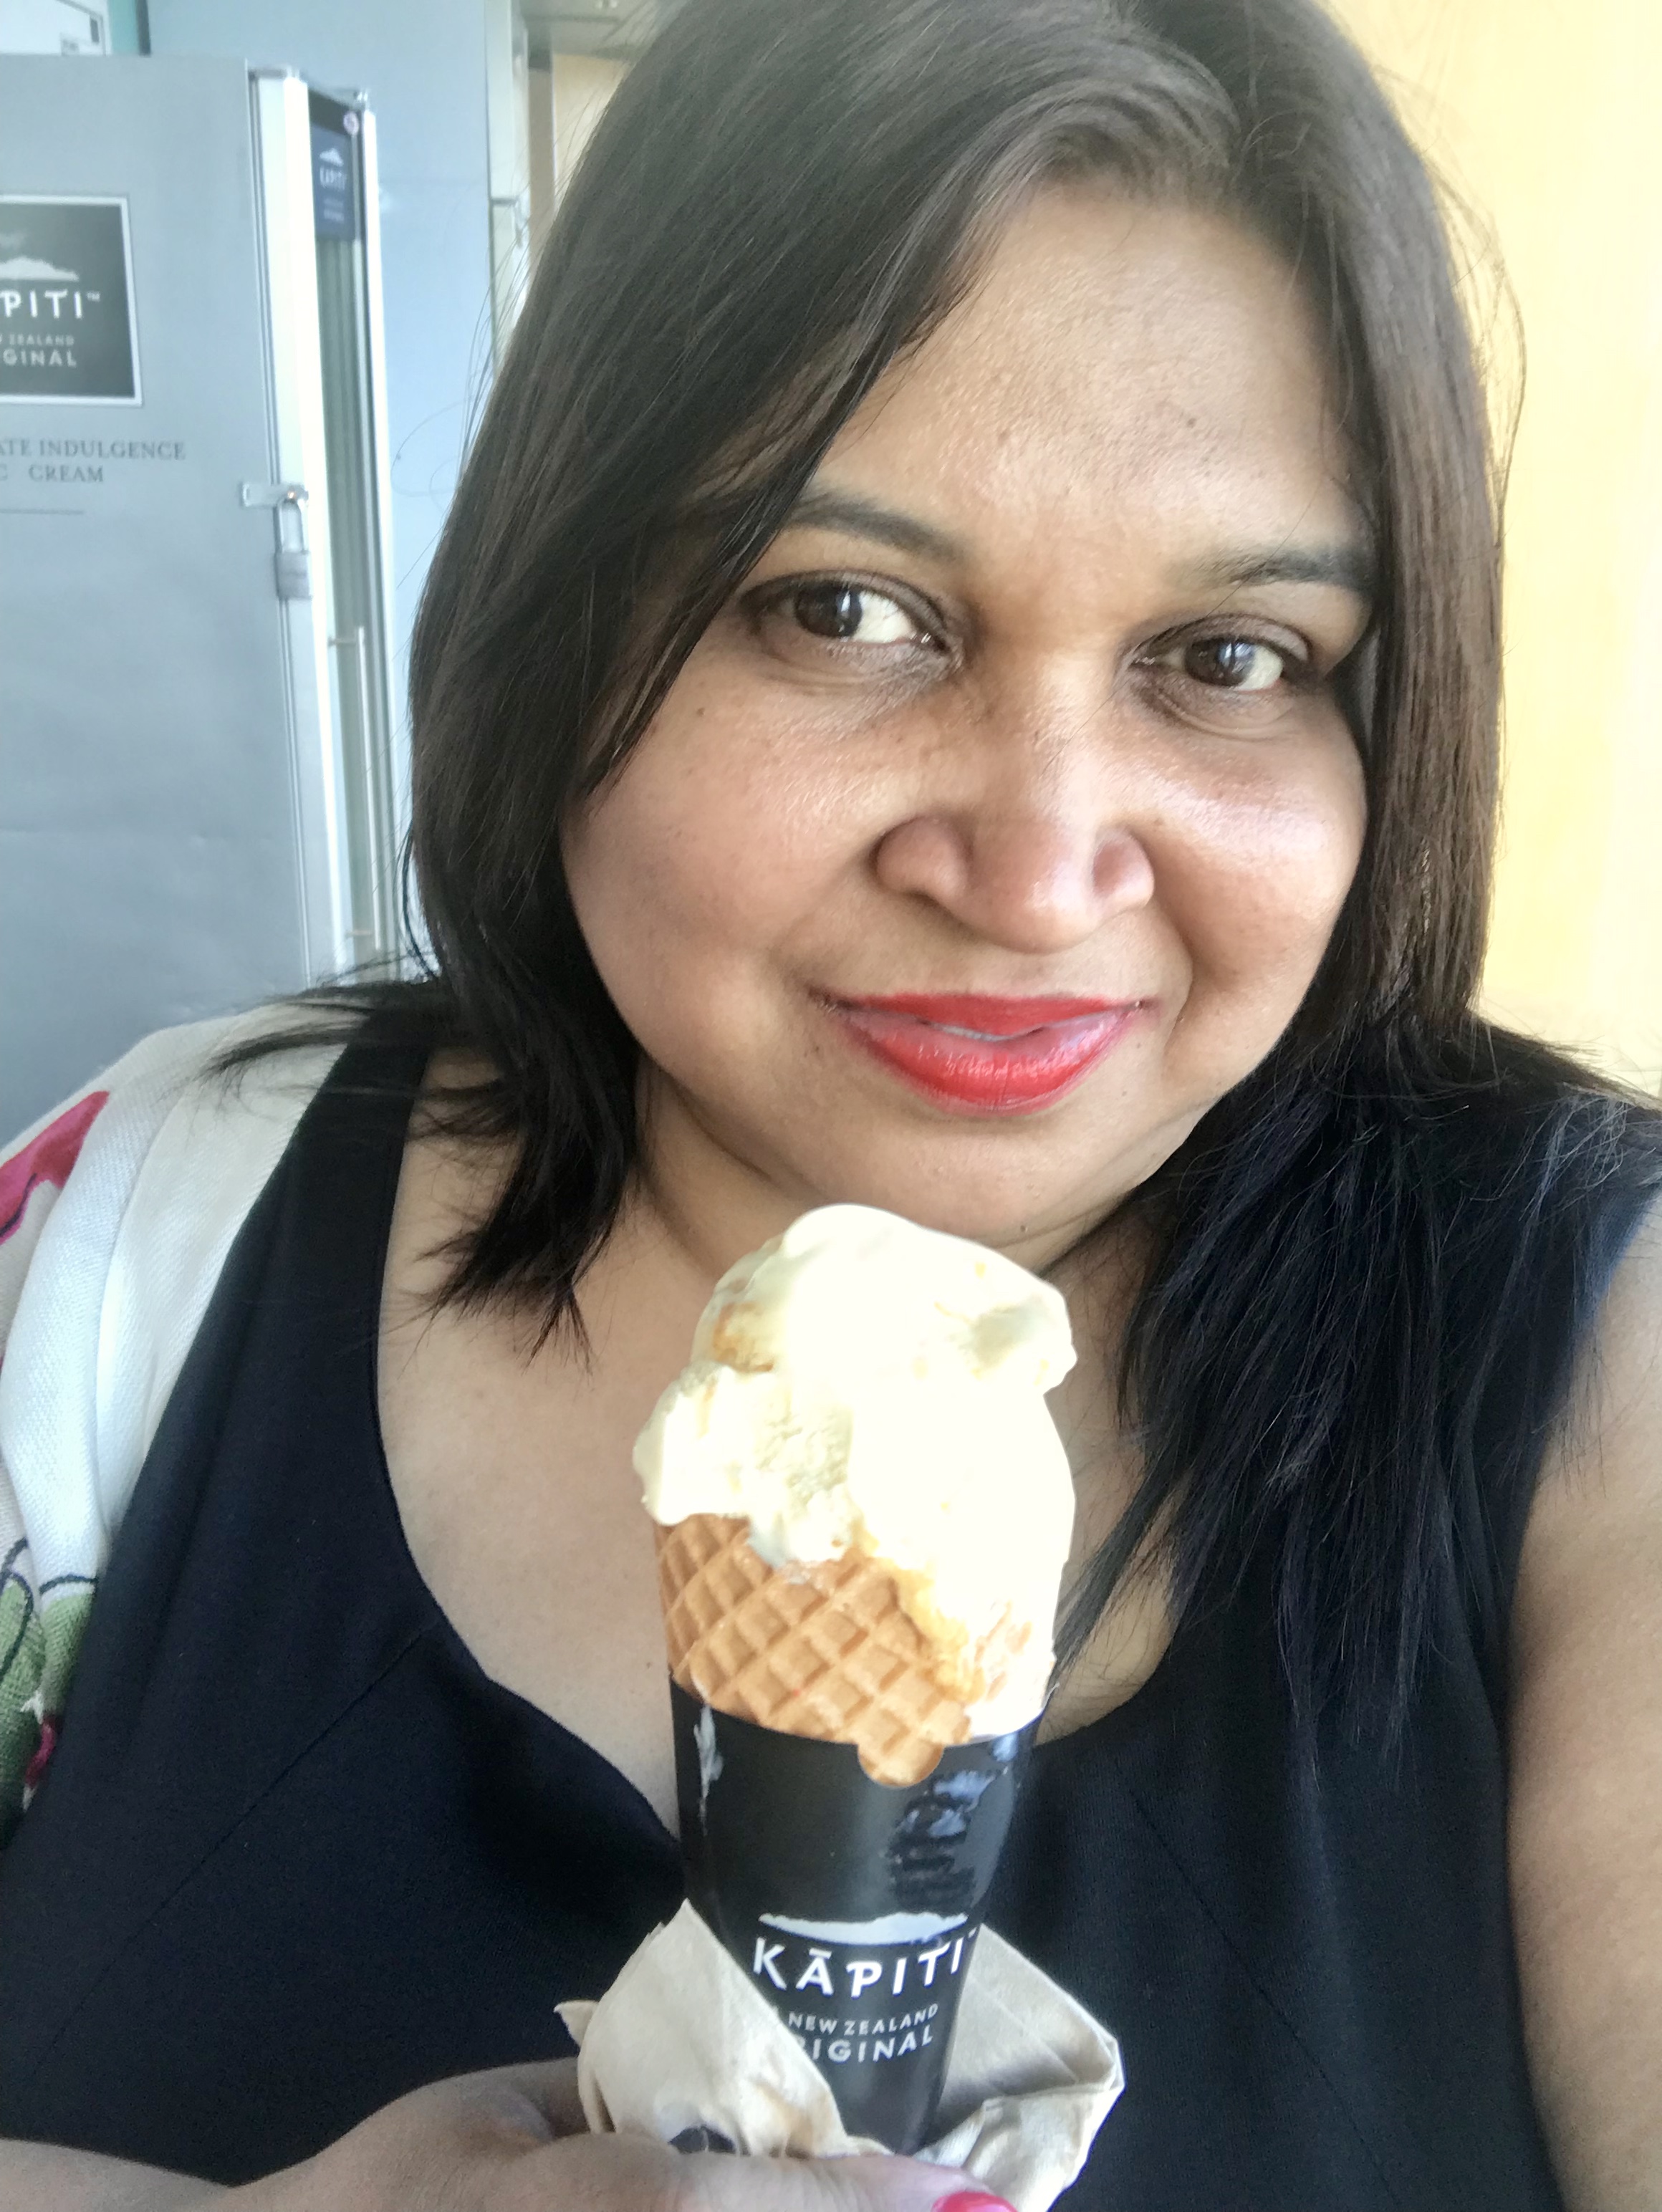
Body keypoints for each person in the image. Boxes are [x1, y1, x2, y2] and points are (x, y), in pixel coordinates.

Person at [0, 0, 1658, 2204]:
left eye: (1230, 657)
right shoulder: (147, 1234)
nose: (1036, 872)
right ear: (562, 623)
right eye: (846, 609)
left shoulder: (1599, 1345)